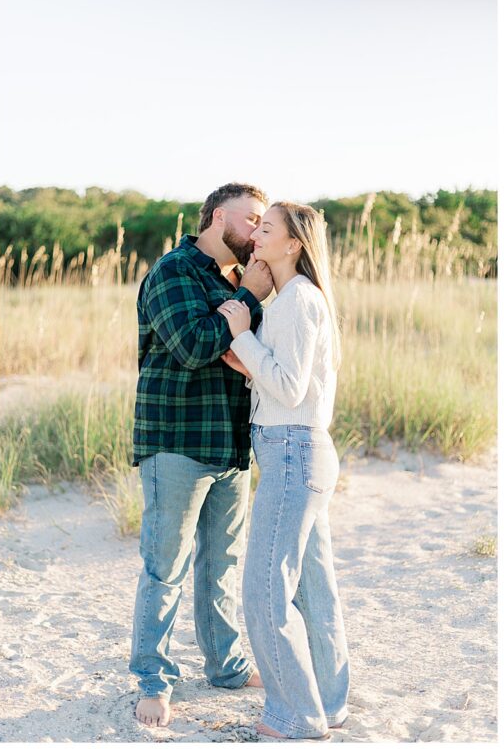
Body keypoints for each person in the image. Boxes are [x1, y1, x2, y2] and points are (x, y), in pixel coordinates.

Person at [130, 182, 275, 727]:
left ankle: (227, 667)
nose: (259, 231)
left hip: (231, 443)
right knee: (165, 568)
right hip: (177, 442)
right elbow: (193, 345)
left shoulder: (233, 280)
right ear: (218, 217)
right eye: (252, 219)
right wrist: (252, 299)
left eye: (265, 223)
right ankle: (153, 678)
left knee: (222, 565)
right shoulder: (174, 271)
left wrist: (253, 295)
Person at [217, 201, 350, 740]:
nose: (256, 235)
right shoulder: (300, 299)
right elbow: (285, 382)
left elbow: (289, 388)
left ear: (294, 243)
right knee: (314, 590)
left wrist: (243, 331)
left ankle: (296, 713)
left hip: (293, 453)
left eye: (266, 228)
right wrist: (248, 354)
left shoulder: (296, 299)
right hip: (301, 451)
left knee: (266, 590)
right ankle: (329, 703)